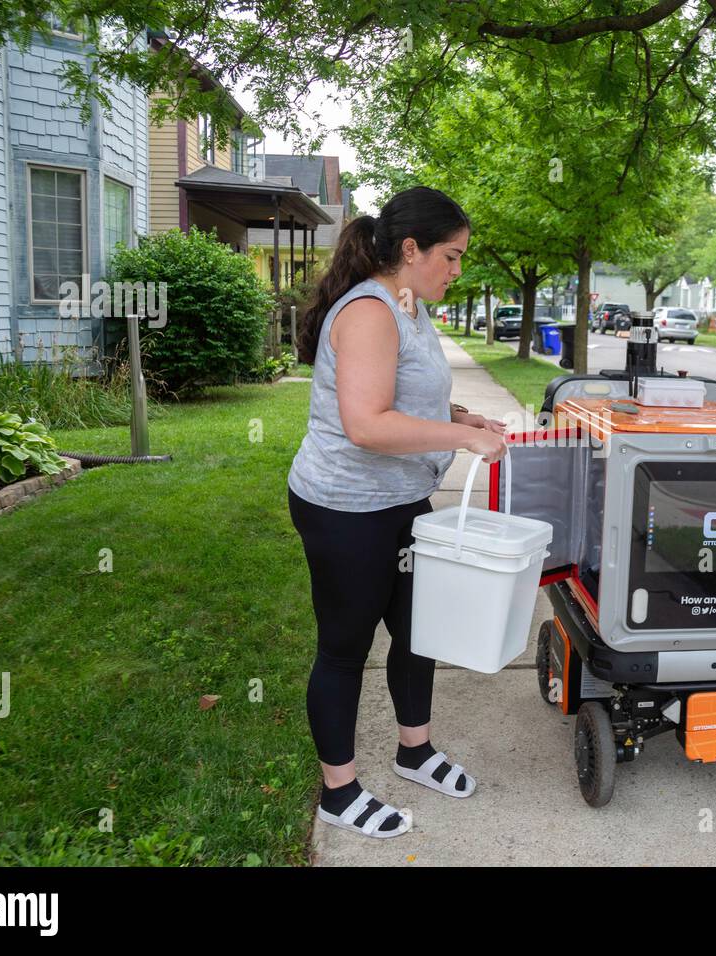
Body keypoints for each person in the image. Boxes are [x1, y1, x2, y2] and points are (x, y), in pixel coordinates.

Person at [287, 186, 508, 839]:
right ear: (410, 250)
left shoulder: (410, 307)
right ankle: (339, 791)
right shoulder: (368, 313)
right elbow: (366, 424)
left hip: (403, 502)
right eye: (451, 255)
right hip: (345, 507)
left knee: (416, 633)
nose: (458, 270)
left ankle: (415, 751)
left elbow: (405, 395)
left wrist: (459, 415)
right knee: (345, 649)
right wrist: (464, 440)